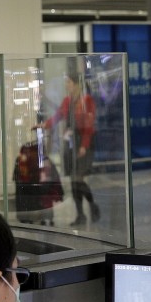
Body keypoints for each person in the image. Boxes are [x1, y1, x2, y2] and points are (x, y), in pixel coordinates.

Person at [37, 72, 99, 227]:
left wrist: (84, 146)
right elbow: (57, 116)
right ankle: (81, 214)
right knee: (73, 180)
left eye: (69, 82)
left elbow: (88, 127)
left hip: (83, 143)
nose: (67, 85)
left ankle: (92, 205)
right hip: (70, 143)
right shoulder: (67, 101)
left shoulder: (87, 100)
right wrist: (44, 125)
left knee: (78, 178)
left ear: (77, 84)